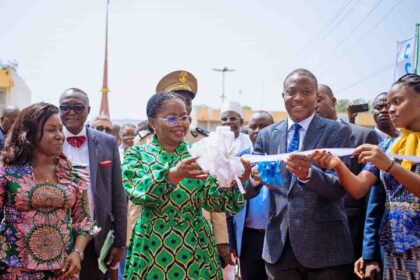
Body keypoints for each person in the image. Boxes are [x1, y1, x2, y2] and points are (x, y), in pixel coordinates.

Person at [122, 92, 248, 279]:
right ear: (153, 123)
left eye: (184, 117)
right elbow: (137, 191)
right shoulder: (137, 154)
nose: (180, 123)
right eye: (171, 118)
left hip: (195, 244)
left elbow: (213, 201)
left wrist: (234, 181)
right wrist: (171, 176)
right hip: (153, 244)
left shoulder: (198, 153)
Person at [312, 73, 420, 279]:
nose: (390, 109)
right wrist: (337, 165)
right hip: (393, 248)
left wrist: (390, 166)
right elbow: (359, 188)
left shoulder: (386, 156)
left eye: (397, 102)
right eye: (388, 104)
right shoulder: (388, 146)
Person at [253, 69, 354, 279]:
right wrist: (252, 178)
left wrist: (309, 175)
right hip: (279, 249)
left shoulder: (337, 131)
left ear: (316, 96)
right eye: (292, 92)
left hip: (326, 250)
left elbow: (340, 187)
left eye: (306, 92)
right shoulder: (266, 136)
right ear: (283, 96)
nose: (298, 97)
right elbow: (248, 187)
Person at [0, 102, 95, 279]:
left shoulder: (73, 172)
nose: (60, 136)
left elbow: (83, 220)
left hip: (63, 269)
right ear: (29, 134)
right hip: (15, 269)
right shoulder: (7, 170)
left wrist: (77, 253)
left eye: (60, 129)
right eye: (51, 130)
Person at [59, 88, 127, 280]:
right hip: (56, 234)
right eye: (65, 107)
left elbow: (118, 194)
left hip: (97, 235)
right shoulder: (47, 140)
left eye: (78, 107)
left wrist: (119, 242)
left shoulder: (107, 143)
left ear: (88, 110)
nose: (71, 111)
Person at [316, 84, 379, 264]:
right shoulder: (303, 138)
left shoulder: (362, 136)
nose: (314, 105)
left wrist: (369, 250)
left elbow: (370, 197)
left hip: (350, 234)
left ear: (334, 101)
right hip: (309, 238)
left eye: (319, 99)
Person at [354, 91, 400, 280]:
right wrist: (370, 255)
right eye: (379, 107)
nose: (387, 110)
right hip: (393, 251)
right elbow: (373, 205)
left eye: (392, 104)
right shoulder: (384, 147)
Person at [228, 111, 274, 280]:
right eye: (253, 126)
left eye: (263, 126)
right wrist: (231, 241)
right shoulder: (239, 159)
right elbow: (229, 201)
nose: (257, 130)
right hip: (248, 237)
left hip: (276, 236)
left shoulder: (283, 156)